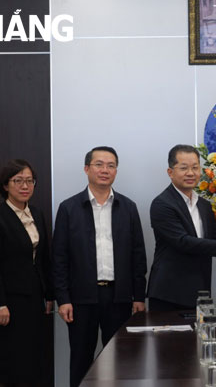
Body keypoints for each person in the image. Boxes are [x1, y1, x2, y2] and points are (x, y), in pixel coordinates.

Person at [52, 146, 147, 387]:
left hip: (120, 297)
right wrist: (63, 298)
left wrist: (139, 296)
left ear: (116, 171)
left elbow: (138, 255)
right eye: (99, 164)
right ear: (87, 168)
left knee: (120, 359)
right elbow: (59, 258)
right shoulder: (69, 208)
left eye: (111, 165)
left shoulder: (128, 207)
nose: (105, 170)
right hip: (81, 298)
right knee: (81, 359)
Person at [146, 145, 216, 311]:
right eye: (184, 168)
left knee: (200, 337)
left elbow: (213, 241)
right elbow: (183, 242)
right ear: (170, 172)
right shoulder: (162, 204)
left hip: (199, 292)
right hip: (169, 294)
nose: (191, 173)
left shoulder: (204, 205)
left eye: (195, 167)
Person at [0, 159, 53, 386]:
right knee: (14, 358)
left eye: (30, 181)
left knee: (35, 356)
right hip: (9, 302)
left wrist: (49, 294)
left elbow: (43, 258)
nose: (25, 186)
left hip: (34, 298)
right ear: (5, 185)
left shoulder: (37, 214)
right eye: (18, 181)